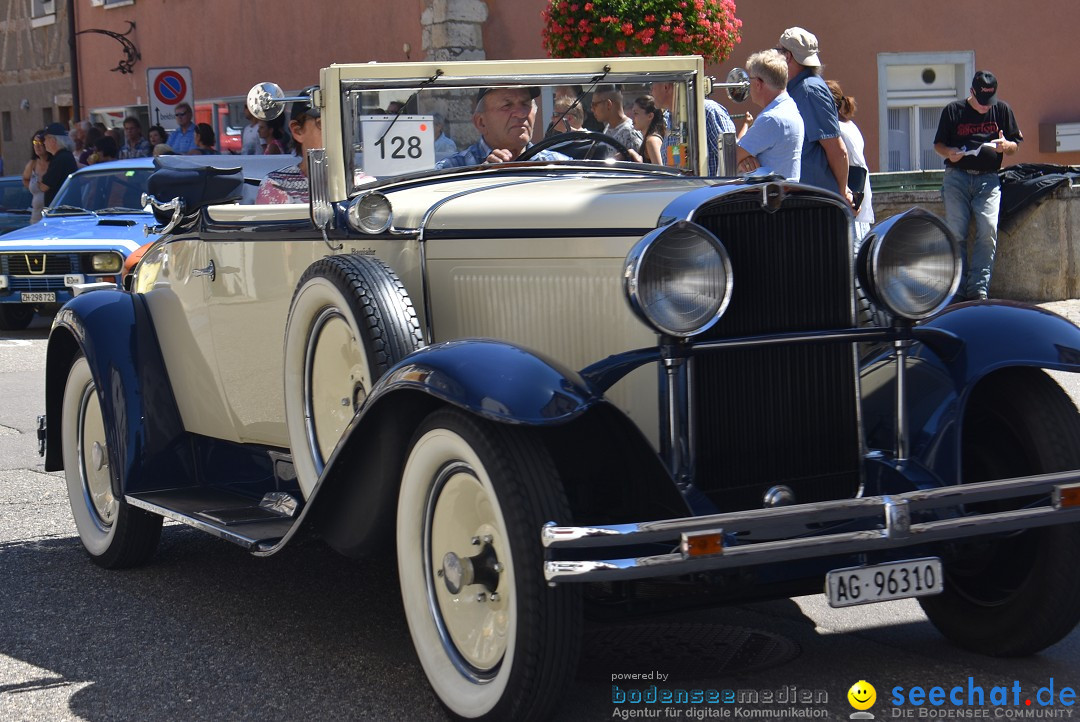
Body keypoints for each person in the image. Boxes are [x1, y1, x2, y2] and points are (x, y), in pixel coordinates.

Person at [933, 70, 1022, 301]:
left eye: (988, 102)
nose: (985, 107)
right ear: (972, 92)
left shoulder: (1002, 110)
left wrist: (1006, 146)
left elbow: (1015, 144)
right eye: (981, 102)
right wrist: (949, 152)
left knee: (988, 229)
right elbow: (938, 145)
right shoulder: (953, 111)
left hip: (989, 179)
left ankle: (978, 289)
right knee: (956, 232)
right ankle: (957, 290)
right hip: (957, 177)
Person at [777, 27, 850, 201]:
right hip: (805, 196)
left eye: (778, 51)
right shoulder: (801, 88)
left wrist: (842, 193)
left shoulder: (809, 91)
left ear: (787, 57)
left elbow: (837, 149)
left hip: (814, 200)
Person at [436, 87, 570, 168]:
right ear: (481, 122)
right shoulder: (451, 171)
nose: (521, 113)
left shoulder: (560, 166)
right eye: (507, 105)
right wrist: (477, 181)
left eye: (525, 104)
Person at [735, 49, 803, 181]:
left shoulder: (772, 118)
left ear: (758, 84)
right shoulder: (789, 108)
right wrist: (745, 159)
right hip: (781, 194)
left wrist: (743, 159)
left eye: (750, 80)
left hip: (767, 198)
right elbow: (740, 154)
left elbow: (732, 159)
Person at [650, 80, 735, 176]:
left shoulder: (707, 111)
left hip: (708, 190)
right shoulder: (670, 119)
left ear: (666, 87)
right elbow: (676, 160)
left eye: (652, 86)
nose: (651, 92)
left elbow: (730, 159)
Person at [256, 88, 324, 204]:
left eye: (344, 122)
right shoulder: (277, 184)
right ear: (298, 131)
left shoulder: (362, 184)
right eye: (322, 123)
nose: (337, 132)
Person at [827, 80, 874, 243]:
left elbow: (854, 165)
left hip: (851, 204)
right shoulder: (849, 125)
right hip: (856, 202)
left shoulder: (837, 129)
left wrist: (852, 201)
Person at [590, 85, 643, 153]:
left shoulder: (630, 134)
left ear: (608, 104)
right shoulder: (609, 127)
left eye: (595, 105)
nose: (592, 109)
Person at [38, 123, 78, 207]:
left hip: (61, 212)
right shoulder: (66, 156)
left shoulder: (60, 159)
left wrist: (37, 181)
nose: (44, 143)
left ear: (53, 141)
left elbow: (44, 186)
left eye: (45, 139)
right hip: (67, 209)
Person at [22, 130, 50, 223]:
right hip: (36, 218)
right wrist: (33, 187)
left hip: (53, 216)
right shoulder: (32, 164)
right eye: (35, 142)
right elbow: (25, 179)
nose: (37, 146)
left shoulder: (56, 163)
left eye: (40, 142)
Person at [631, 95, 666, 165]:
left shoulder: (651, 141)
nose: (632, 117)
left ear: (650, 116)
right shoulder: (649, 139)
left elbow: (659, 171)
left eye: (636, 113)